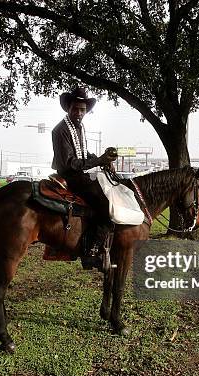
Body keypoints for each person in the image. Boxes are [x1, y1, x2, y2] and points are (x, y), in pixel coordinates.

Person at [51, 87, 117, 270]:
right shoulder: (61, 130)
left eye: (82, 109)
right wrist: (99, 160)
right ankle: (90, 253)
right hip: (70, 175)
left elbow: (83, 153)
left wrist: (102, 161)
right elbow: (70, 163)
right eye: (75, 109)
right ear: (68, 108)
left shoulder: (78, 127)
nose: (79, 113)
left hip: (80, 172)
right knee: (106, 205)